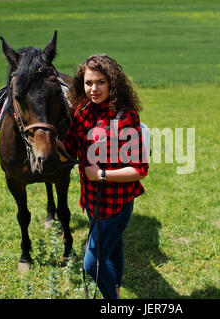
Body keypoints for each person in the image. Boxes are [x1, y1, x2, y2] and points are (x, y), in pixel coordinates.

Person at [63, 54, 149, 299]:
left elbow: (139, 170)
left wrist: (100, 174)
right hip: (91, 200)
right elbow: (69, 146)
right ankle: (118, 287)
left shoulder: (125, 117)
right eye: (89, 82)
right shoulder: (83, 111)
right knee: (113, 247)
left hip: (116, 204)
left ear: (112, 83)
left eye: (100, 82)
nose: (93, 89)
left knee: (91, 264)